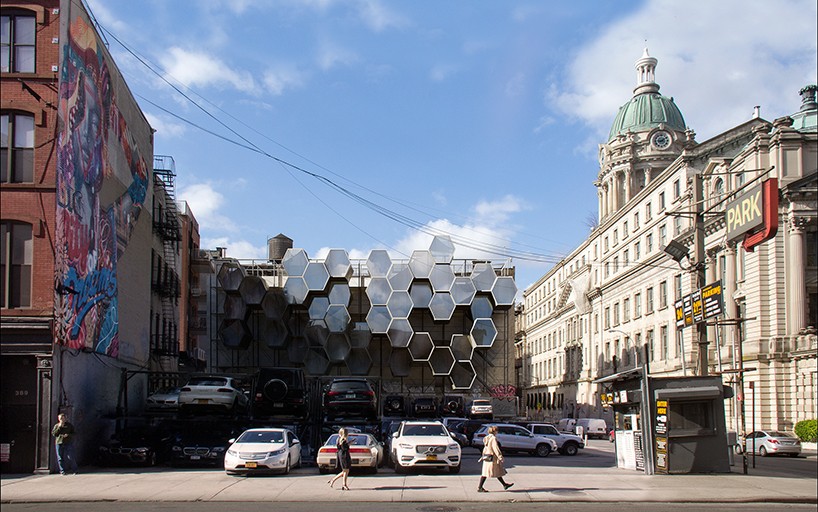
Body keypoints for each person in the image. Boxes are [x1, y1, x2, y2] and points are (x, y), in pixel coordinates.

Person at [478, 425, 513, 492]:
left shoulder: (486, 438)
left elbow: (485, 448)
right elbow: (496, 448)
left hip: (487, 457)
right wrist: (500, 457)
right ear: (494, 431)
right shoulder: (493, 438)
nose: (497, 432)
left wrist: (482, 456)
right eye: (497, 430)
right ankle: (480, 487)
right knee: (492, 472)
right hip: (492, 458)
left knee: (491, 472)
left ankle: (504, 484)